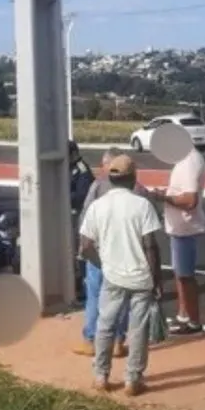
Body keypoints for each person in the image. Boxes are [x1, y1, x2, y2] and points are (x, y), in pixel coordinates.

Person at [79, 154, 163, 397]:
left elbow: (85, 246)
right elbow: (151, 246)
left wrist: (104, 263)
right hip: (140, 277)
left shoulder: (98, 206)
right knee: (138, 329)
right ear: (133, 178)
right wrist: (156, 279)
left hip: (112, 276)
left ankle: (101, 376)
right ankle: (132, 379)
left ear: (110, 178)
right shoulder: (142, 205)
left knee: (105, 324)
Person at [72, 147, 151, 357]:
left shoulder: (98, 186)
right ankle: (118, 340)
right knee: (123, 299)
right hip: (128, 254)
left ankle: (91, 339)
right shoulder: (139, 190)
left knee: (95, 296)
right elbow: (150, 227)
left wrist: (84, 250)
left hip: (99, 252)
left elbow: (85, 218)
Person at [149, 143, 205, 335]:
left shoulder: (190, 160)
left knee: (185, 276)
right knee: (180, 275)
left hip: (185, 227)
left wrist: (163, 197)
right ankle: (184, 315)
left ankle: (194, 321)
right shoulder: (185, 159)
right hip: (180, 228)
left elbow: (190, 200)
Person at [69, 140, 96, 303]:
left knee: (80, 252)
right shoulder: (69, 167)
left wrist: (63, 196)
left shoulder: (81, 170)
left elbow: (82, 195)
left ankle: (83, 285)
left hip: (79, 214)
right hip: (70, 213)